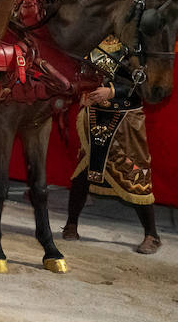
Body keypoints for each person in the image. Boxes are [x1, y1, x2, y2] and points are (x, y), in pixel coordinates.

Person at [62, 35, 162, 254]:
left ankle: (152, 234)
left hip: (126, 120)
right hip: (95, 116)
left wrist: (112, 91)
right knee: (82, 173)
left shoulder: (139, 44)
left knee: (135, 174)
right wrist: (83, 91)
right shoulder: (93, 38)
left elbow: (145, 86)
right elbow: (82, 73)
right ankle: (71, 224)